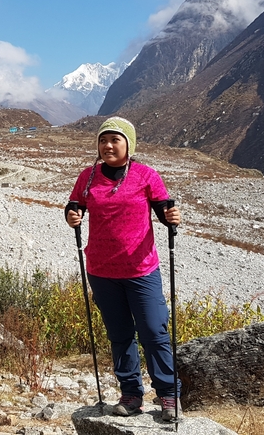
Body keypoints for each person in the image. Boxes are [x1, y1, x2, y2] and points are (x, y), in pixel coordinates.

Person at [65, 116, 182, 422]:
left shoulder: (145, 175)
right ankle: (131, 395)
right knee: (119, 335)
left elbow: (162, 208)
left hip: (141, 269)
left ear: (129, 144)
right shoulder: (88, 177)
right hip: (102, 271)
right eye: (103, 140)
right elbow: (75, 205)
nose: (108, 146)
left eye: (115, 140)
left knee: (154, 332)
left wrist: (171, 216)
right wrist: (72, 215)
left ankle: (169, 394)